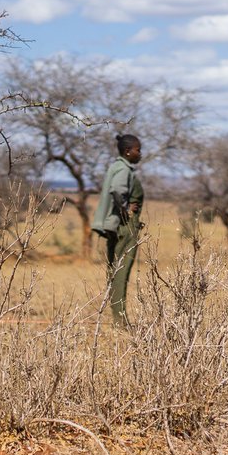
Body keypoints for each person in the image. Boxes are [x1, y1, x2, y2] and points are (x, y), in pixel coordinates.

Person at [91, 134, 144, 326]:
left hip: (114, 225)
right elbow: (117, 190)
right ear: (127, 151)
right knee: (121, 271)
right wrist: (126, 210)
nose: (140, 154)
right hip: (124, 226)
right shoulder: (124, 170)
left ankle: (116, 316)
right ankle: (119, 320)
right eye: (138, 150)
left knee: (114, 269)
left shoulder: (115, 166)